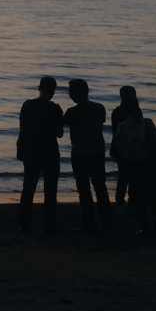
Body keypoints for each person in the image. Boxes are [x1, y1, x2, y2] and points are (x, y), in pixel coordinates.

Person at [110, 89, 156, 236]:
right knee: (146, 195)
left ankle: (137, 222)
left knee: (134, 193)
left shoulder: (122, 121)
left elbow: (116, 142)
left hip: (131, 162)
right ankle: (150, 224)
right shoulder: (145, 123)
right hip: (143, 163)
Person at [62, 79, 111, 233]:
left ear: (76, 93)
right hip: (97, 152)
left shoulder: (71, 112)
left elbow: (62, 127)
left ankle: (89, 222)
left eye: (71, 92)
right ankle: (106, 220)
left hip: (80, 153)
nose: (70, 94)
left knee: (84, 189)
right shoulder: (99, 108)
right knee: (100, 187)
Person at [16, 76, 64, 235]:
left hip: (32, 151)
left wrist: (20, 150)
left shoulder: (28, 105)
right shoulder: (55, 108)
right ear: (52, 90)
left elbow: (22, 130)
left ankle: (24, 224)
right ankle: (49, 226)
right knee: (50, 192)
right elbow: (59, 133)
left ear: (39, 88)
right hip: (49, 152)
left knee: (28, 189)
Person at [110, 85, 138, 206]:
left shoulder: (117, 111)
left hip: (122, 147)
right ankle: (130, 199)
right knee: (131, 176)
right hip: (133, 147)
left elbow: (115, 132)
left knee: (124, 176)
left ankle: (121, 200)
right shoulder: (136, 111)